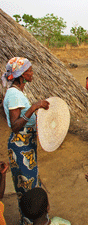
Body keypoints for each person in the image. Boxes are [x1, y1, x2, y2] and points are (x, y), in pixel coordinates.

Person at [2, 57, 50, 224]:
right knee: (27, 188)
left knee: (29, 185)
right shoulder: (14, 94)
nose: (32, 73)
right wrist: (33, 107)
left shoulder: (18, 92)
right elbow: (15, 126)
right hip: (20, 146)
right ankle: (30, 220)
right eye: (29, 70)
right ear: (21, 75)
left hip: (26, 145)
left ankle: (31, 219)